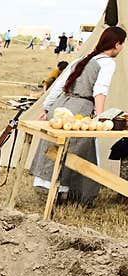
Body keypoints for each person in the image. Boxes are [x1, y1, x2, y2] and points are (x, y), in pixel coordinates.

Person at [30, 26, 126, 205]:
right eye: (122, 45)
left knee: (56, 145)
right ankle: (63, 192)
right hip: (79, 109)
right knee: (75, 149)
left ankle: (47, 186)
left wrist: (46, 108)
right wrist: (99, 116)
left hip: (60, 106)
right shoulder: (106, 63)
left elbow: (59, 86)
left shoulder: (82, 59)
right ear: (117, 44)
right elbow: (100, 90)